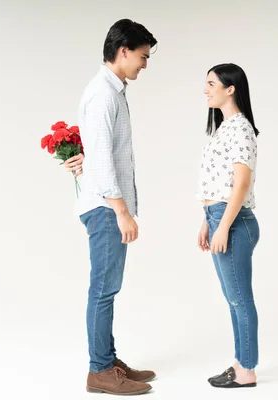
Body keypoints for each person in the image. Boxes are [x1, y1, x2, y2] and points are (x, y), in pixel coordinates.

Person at [63, 18, 157, 396]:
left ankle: (107, 358)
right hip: (105, 208)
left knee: (108, 288)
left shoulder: (111, 90)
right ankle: (99, 371)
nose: (144, 64)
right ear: (123, 51)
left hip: (105, 205)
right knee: (103, 289)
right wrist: (122, 212)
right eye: (143, 56)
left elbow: (96, 150)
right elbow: (102, 160)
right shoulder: (103, 93)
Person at [196, 63, 260, 388]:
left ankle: (246, 369)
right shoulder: (223, 128)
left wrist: (222, 226)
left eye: (211, 83)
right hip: (220, 218)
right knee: (233, 297)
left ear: (230, 88)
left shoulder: (241, 129)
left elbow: (241, 183)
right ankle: (240, 363)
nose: (205, 89)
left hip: (234, 222)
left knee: (239, 298)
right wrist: (208, 222)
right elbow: (217, 182)